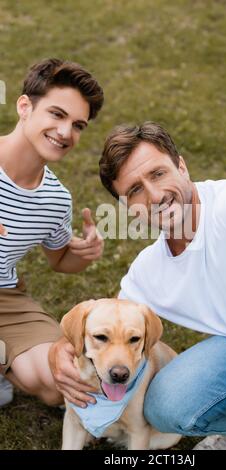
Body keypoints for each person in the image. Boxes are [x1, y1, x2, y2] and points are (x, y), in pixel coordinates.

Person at [52, 122, 226, 450]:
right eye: (135, 190)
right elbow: (106, 324)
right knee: (163, 407)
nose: (154, 196)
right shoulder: (149, 270)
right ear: (127, 207)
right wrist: (58, 350)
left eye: (157, 174)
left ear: (181, 166)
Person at [0, 58, 104, 408]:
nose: (65, 132)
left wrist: (81, 253)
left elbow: (60, 261)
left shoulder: (56, 199)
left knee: (62, 378)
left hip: (5, 299)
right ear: (25, 106)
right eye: (57, 115)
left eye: (77, 125)